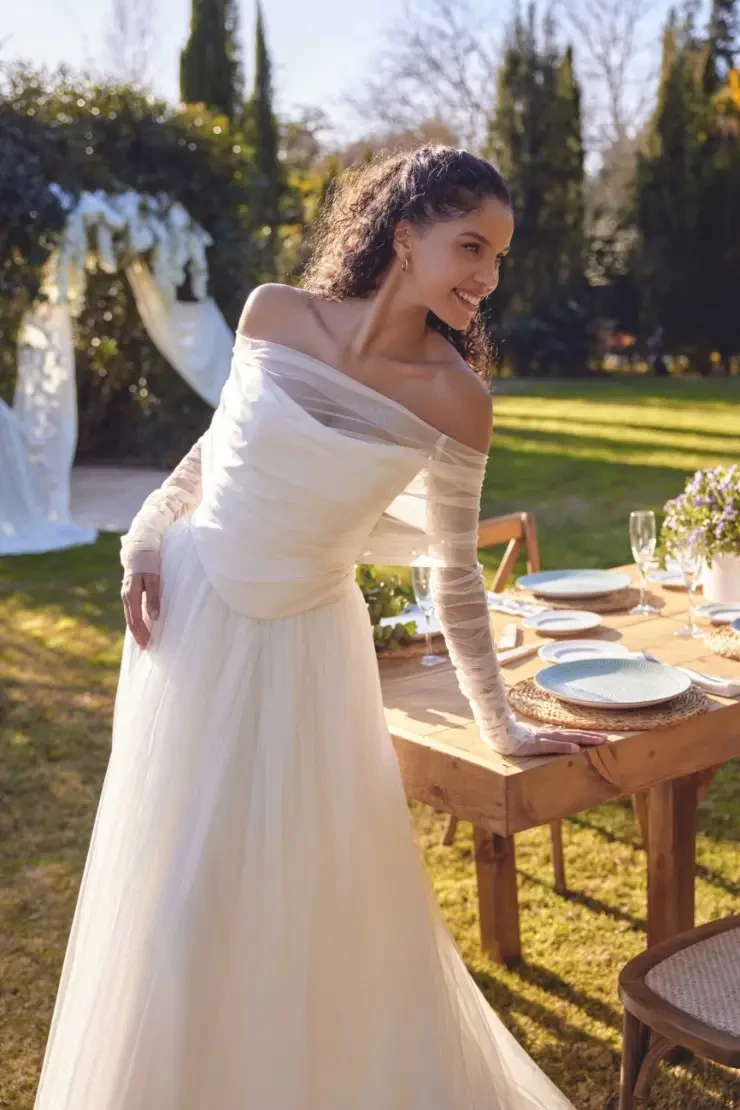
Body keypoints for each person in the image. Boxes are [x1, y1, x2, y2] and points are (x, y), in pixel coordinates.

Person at [33, 146, 604, 1109]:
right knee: (181, 887)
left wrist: (501, 725)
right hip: (195, 621)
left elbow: (453, 575)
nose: (487, 278)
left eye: (499, 258)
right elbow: (216, 451)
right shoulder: (272, 314)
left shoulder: (457, 399)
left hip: (307, 650)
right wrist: (142, 540)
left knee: (306, 899)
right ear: (405, 235)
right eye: (471, 247)